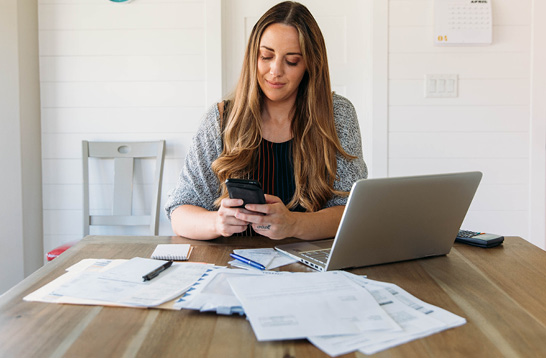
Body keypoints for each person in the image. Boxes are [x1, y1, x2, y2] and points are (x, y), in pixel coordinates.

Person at [165, 1, 367, 241]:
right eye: (266, 56)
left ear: (310, 65)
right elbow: (179, 212)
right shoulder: (221, 119)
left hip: (310, 268)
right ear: (253, 57)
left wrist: (293, 224)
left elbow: (352, 212)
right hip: (233, 266)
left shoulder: (338, 115)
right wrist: (216, 222)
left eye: (291, 60)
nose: (275, 70)